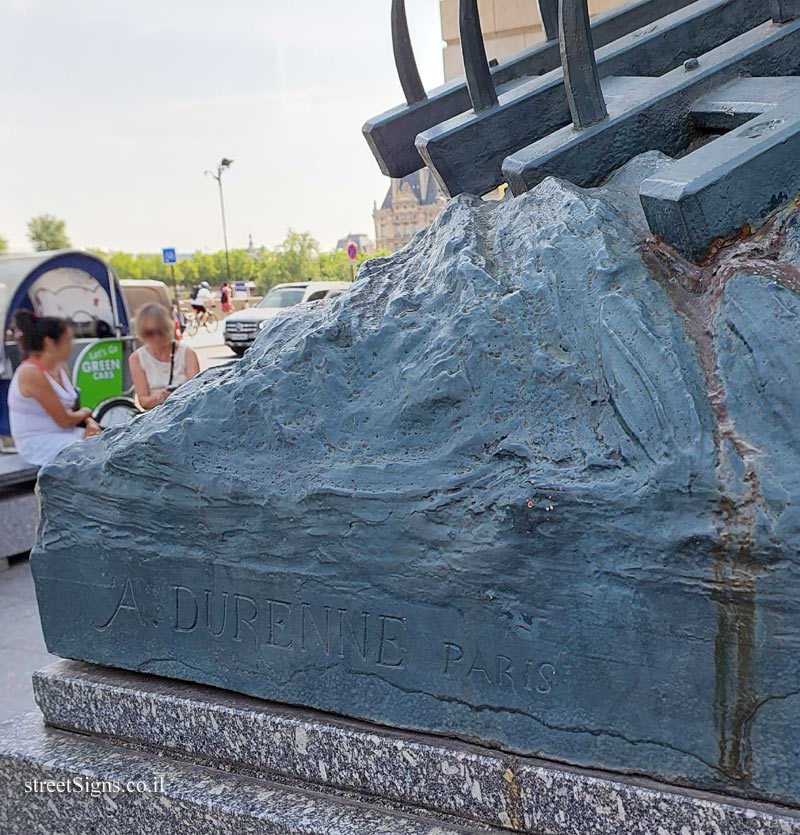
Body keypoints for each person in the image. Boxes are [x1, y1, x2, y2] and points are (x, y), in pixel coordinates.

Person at [8, 312, 102, 466]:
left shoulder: (61, 367)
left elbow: (71, 411)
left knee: (108, 439)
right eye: (67, 340)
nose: (72, 345)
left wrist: (90, 422)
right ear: (49, 342)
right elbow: (65, 420)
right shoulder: (31, 373)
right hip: (39, 442)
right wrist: (87, 411)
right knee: (92, 451)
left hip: (66, 433)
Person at [130, 303, 199, 410]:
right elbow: (143, 400)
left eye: (160, 332)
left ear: (168, 329)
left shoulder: (187, 353)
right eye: (150, 333)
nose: (156, 337)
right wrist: (159, 399)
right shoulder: (136, 358)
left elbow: (198, 392)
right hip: (157, 417)